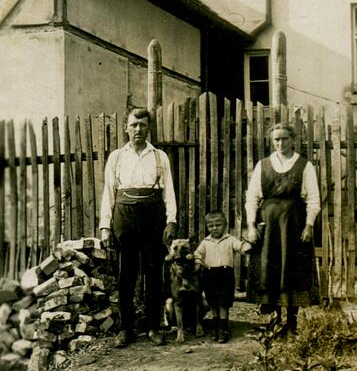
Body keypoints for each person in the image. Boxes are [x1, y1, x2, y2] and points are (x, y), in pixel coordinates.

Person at [98, 108, 177, 348]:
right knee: (126, 274)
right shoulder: (117, 157)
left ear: (149, 128)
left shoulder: (159, 156)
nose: (138, 130)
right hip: (124, 215)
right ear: (126, 128)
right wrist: (105, 226)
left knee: (153, 273)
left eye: (142, 125)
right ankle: (126, 328)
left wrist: (171, 220)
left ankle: (153, 326)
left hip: (153, 215)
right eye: (134, 125)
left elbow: (169, 191)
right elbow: (108, 192)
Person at [245, 123, 321, 335]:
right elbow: (252, 197)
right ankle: (276, 320)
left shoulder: (305, 166)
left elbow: (313, 198)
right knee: (272, 268)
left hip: (294, 224)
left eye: (285, 139)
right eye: (276, 139)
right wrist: (251, 225)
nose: (281, 143)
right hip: (269, 226)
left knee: (293, 268)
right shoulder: (263, 165)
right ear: (272, 141)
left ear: (293, 140)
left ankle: (293, 322)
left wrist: (309, 225)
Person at [193, 211, 252, 343]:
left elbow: (241, 246)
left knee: (224, 302)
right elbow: (198, 254)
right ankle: (215, 327)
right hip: (209, 275)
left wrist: (247, 246)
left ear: (225, 225)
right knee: (213, 302)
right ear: (207, 227)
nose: (214, 228)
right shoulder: (205, 241)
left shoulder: (230, 239)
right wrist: (198, 262)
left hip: (225, 275)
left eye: (218, 225)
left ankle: (223, 328)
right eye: (211, 226)